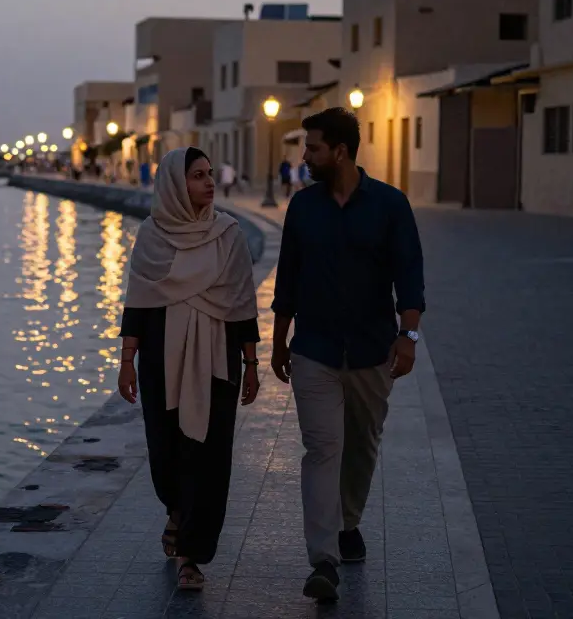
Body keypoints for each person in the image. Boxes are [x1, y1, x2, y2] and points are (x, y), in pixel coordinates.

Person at [269, 107, 425, 602]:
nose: (305, 157)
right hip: (313, 350)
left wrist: (408, 336)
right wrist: (277, 340)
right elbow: (287, 279)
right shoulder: (302, 207)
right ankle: (324, 561)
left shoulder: (391, 205)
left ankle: (348, 522)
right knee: (322, 449)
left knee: (361, 444)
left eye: (312, 148)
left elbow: (410, 276)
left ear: (339, 151)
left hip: (372, 350)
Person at [117, 147, 260, 591]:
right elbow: (137, 303)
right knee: (165, 451)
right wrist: (126, 361)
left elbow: (241, 304)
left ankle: (191, 557)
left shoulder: (228, 234)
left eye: (210, 174)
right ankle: (175, 511)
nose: (209, 183)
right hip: (160, 360)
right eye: (198, 176)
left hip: (218, 359)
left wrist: (252, 364)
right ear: (176, 185)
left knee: (210, 457)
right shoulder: (151, 235)